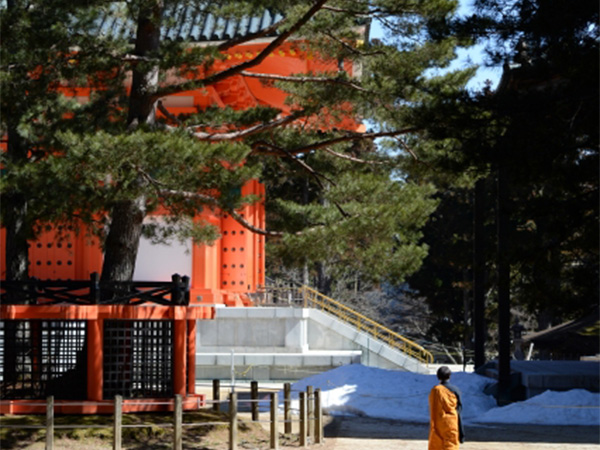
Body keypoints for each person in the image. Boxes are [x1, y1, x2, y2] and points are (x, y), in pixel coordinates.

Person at [428, 366, 465, 450]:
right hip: (451, 423)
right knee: (450, 445)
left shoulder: (435, 391)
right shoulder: (455, 390)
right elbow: (459, 411)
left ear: (438, 376)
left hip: (438, 423)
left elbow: (433, 408)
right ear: (449, 376)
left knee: (437, 444)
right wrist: (461, 433)